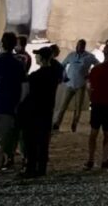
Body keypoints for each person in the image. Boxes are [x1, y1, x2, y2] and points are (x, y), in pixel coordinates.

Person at [0, 31, 25, 193]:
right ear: (14, 45)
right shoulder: (18, 64)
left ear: (2, 44)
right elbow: (24, 88)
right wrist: (16, 105)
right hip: (8, 109)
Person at [19, 45, 62, 178]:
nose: (36, 57)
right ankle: (41, 168)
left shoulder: (35, 76)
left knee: (31, 140)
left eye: (37, 55)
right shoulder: (54, 74)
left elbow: (26, 93)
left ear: (42, 58)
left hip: (33, 110)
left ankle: (31, 167)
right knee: (43, 139)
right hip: (47, 109)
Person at [85, 43, 108, 171]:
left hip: (96, 104)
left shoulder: (95, 69)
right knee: (107, 134)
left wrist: (92, 98)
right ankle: (105, 159)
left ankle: (90, 159)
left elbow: (89, 86)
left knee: (93, 133)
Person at [53, 39, 97, 131]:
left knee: (78, 107)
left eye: (81, 46)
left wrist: (90, 74)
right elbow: (63, 65)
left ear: (84, 47)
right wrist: (64, 75)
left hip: (80, 85)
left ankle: (74, 123)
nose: (78, 47)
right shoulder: (71, 55)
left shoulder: (89, 57)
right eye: (77, 45)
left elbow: (98, 65)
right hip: (70, 84)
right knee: (63, 105)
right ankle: (57, 123)